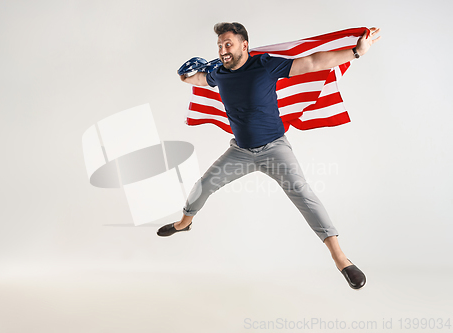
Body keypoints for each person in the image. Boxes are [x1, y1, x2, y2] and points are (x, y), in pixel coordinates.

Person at [158, 22, 381, 290]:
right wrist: (184, 77)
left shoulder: (264, 65)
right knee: (204, 185)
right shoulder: (219, 72)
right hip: (240, 151)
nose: (222, 50)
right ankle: (184, 223)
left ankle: (341, 258)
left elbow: (311, 62)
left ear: (244, 45)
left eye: (227, 44)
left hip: (274, 148)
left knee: (303, 193)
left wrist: (355, 53)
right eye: (219, 46)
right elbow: (202, 80)